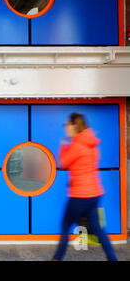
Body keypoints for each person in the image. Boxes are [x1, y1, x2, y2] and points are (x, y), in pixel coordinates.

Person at [52, 112, 118, 261]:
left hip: (80, 195)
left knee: (65, 225)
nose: (66, 127)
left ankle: (56, 258)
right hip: (95, 194)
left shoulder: (76, 145)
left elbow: (63, 163)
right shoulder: (91, 143)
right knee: (97, 229)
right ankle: (112, 258)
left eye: (67, 124)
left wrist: (63, 145)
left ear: (75, 126)